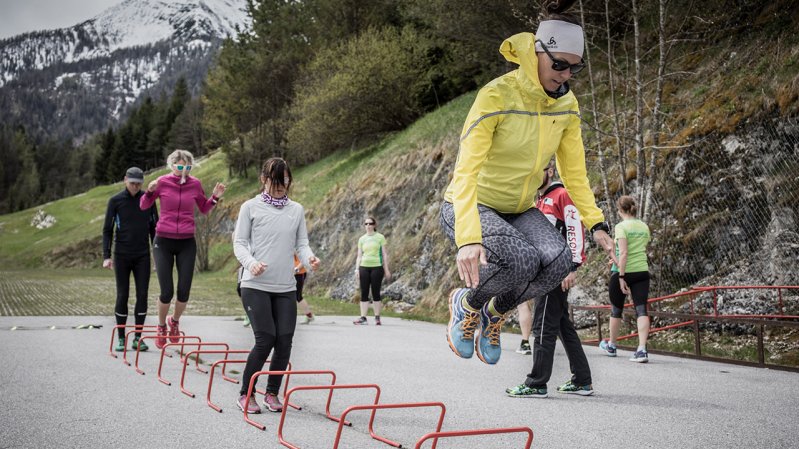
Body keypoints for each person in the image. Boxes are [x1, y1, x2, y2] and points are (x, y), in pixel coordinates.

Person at [440, 0, 615, 367]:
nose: (566, 75)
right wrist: (469, 238)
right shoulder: (496, 95)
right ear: (538, 52)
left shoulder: (567, 106)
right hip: (470, 204)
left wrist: (595, 222)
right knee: (521, 260)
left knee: (558, 262)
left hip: (517, 208)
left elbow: (575, 172)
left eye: (574, 68)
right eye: (559, 65)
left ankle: (493, 312)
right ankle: (467, 304)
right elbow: (466, 170)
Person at [233, 157, 320, 414]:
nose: (280, 186)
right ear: (264, 180)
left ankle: (272, 393)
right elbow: (240, 243)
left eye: (284, 181)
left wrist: (309, 258)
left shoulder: (296, 210)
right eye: (275, 181)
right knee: (265, 339)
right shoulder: (250, 207)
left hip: (285, 286)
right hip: (255, 284)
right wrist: (251, 263)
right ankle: (245, 395)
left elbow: (301, 244)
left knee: (284, 340)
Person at [506, 162, 594, 398]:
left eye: (540, 170)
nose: (534, 175)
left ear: (550, 171)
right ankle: (582, 380)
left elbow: (576, 230)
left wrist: (572, 266)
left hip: (558, 270)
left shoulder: (562, 194)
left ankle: (536, 383)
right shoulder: (539, 199)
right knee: (563, 327)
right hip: (543, 272)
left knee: (543, 325)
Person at [139, 150, 226, 349]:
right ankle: (161, 326)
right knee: (167, 291)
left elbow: (204, 208)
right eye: (179, 166)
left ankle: (174, 322)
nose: (183, 170)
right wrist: (150, 191)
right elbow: (144, 206)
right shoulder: (161, 182)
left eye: (187, 167)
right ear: (172, 166)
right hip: (164, 241)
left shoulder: (195, 184)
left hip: (187, 241)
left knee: (184, 291)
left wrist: (214, 197)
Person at [102, 167, 158, 352]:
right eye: (132, 183)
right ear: (125, 180)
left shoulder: (148, 200)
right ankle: (120, 338)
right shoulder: (115, 201)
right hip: (122, 255)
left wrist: (157, 256)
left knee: (142, 295)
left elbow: (154, 230)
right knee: (122, 295)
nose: (135, 187)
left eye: (138, 184)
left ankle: (138, 338)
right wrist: (106, 256)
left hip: (142, 255)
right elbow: (107, 230)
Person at [600, 195, 652, 363]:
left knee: (616, 309)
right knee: (641, 309)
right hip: (641, 270)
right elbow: (640, 248)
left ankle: (612, 346)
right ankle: (642, 349)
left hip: (623, 271)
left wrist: (621, 275)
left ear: (620, 210)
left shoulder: (621, 227)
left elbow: (623, 253)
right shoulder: (644, 226)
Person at [353, 216, 391, 325]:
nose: (368, 226)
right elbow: (359, 255)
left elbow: (384, 254)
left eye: (370, 224)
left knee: (376, 292)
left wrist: (386, 269)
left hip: (377, 267)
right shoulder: (362, 239)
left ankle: (377, 317)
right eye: (366, 224)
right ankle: (363, 318)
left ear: (374, 225)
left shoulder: (380, 237)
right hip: (364, 267)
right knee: (364, 292)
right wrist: (357, 269)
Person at [294, 253, 315, 324]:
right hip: (293, 273)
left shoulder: (296, 245)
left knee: (298, 296)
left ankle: (309, 316)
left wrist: (296, 269)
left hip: (298, 274)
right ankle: (309, 316)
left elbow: (304, 260)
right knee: (294, 296)